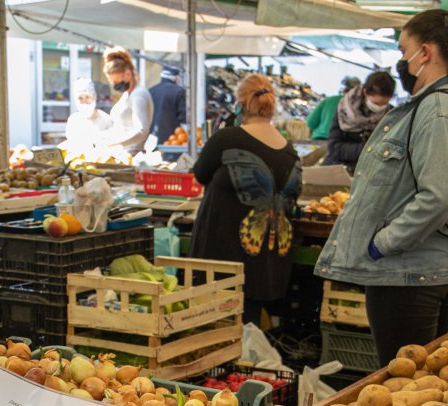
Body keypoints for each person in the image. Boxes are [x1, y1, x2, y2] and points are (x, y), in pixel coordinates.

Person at [315, 8, 448, 362]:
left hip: (408, 275)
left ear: (426, 53)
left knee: (402, 389)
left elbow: (440, 196)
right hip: (418, 271)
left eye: (404, 51)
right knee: (419, 387)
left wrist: (382, 244)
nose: (401, 61)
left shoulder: (438, 110)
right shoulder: (442, 105)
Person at [191, 74, 301, 328]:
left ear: (240, 103)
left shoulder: (227, 139)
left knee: (212, 328)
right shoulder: (289, 150)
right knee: (247, 325)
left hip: (222, 253)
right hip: (264, 256)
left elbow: (199, 174)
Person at [324, 71, 396, 171]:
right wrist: (369, 150)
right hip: (340, 168)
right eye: (376, 103)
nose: (380, 108)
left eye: (384, 104)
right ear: (365, 92)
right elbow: (334, 147)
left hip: (370, 171)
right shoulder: (345, 109)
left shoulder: (391, 114)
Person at [103, 48, 152, 153]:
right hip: (123, 153)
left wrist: (113, 143)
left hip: (132, 155)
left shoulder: (138, 95)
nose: (114, 86)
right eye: (112, 82)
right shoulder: (128, 94)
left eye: (116, 81)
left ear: (128, 74)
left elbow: (142, 131)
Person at [64, 78, 112, 150]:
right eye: (80, 98)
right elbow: (71, 145)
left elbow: (112, 146)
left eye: (87, 97)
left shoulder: (106, 120)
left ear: (94, 97)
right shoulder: (73, 120)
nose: (84, 101)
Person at [307, 76, 359, 141]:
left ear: (344, 89)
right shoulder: (356, 104)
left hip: (319, 139)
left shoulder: (329, 100)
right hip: (342, 142)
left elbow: (311, 123)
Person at [148, 66, 186, 144]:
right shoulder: (179, 91)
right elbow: (184, 117)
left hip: (151, 139)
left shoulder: (150, 91)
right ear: (175, 78)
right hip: (172, 140)